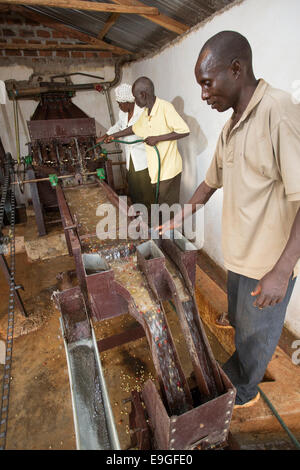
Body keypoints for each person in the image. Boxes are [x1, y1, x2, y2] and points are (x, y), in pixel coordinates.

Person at [159, 31, 300, 407]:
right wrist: (173, 219)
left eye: (207, 83)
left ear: (236, 69)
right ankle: (236, 372)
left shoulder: (280, 112)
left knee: (257, 339)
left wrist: (282, 272)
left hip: (268, 265)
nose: (203, 94)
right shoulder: (232, 125)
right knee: (242, 328)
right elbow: (209, 183)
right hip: (240, 258)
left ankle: (246, 394)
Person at [105, 77, 190, 208]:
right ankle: (158, 227)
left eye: (135, 97)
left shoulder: (165, 107)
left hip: (168, 170)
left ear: (143, 95)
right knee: (159, 207)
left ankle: (170, 228)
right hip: (155, 171)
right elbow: (133, 129)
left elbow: (184, 131)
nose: (134, 100)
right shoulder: (146, 113)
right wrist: (112, 135)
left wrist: (157, 138)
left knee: (168, 209)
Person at [96, 83, 153, 210]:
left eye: (120, 103)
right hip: (131, 158)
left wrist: (114, 136)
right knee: (134, 190)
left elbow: (134, 129)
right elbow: (118, 125)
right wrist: (106, 135)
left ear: (128, 101)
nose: (119, 106)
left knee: (146, 192)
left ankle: (152, 221)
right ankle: (140, 216)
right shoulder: (123, 112)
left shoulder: (143, 112)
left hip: (144, 158)